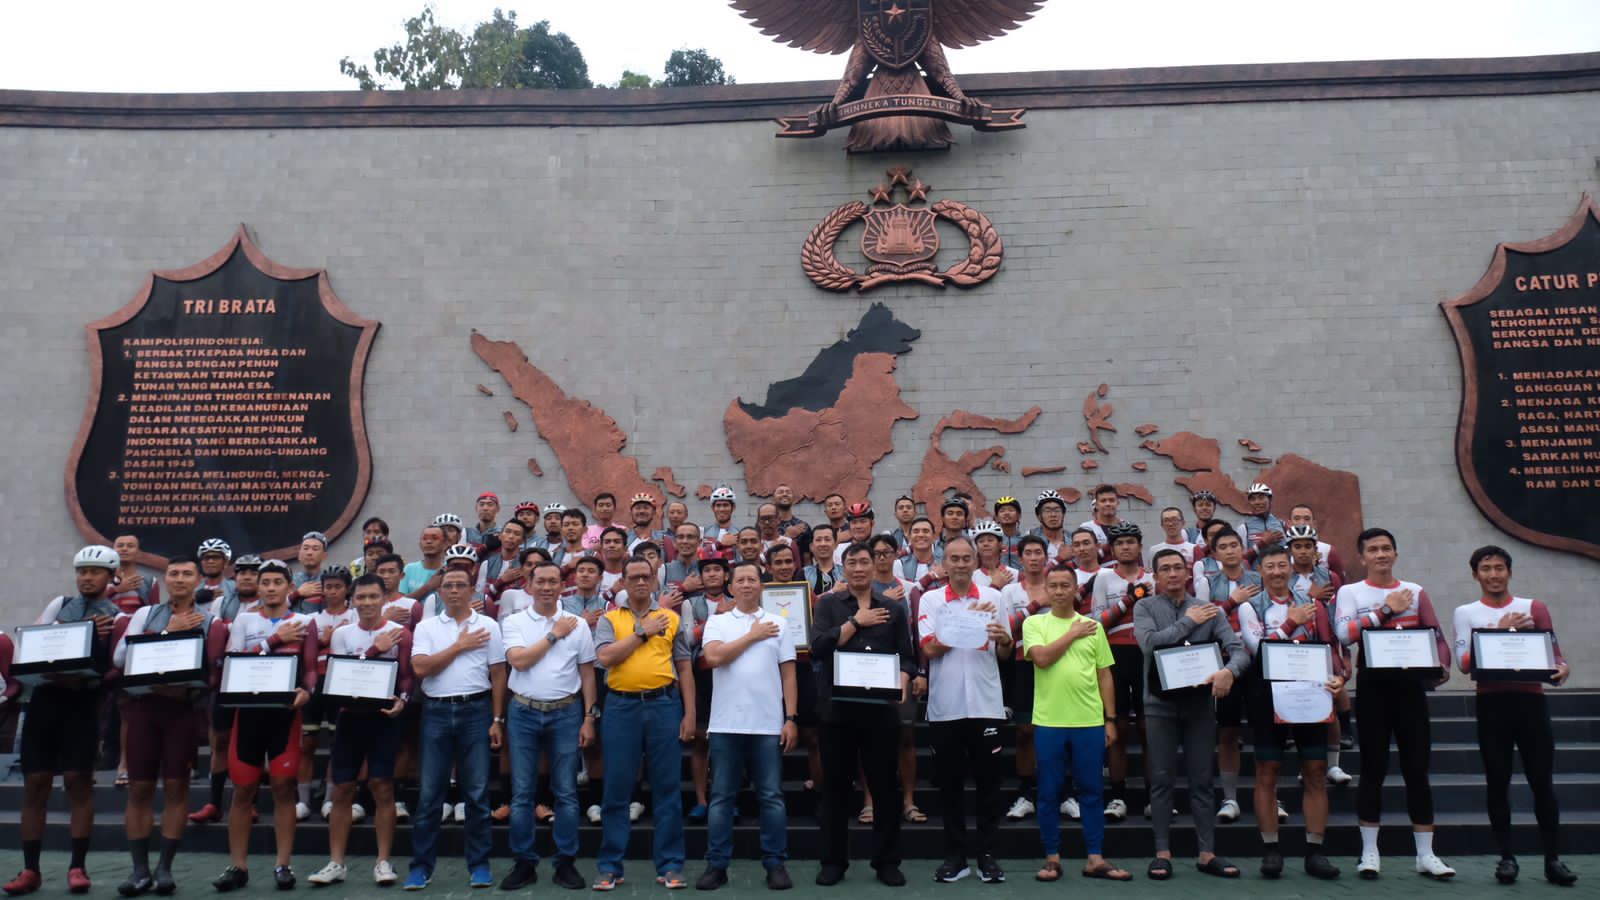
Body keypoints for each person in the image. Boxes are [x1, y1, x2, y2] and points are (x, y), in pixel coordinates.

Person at [1451, 546, 1577, 886]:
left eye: (1499, 568)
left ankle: (1553, 859)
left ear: (1510, 572)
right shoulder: (1466, 612)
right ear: (1475, 574)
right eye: (1486, 569)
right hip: (1492, 704)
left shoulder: (1534, 607)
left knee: (1542, 782)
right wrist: (1501, 630)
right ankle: (1507, 858)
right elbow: (1464, 663)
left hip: (1530, 702)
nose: (1493, 574)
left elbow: (1554, 654)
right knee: (1497, 781)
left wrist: (1562, 667)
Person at [1334, 527, 1455, 880]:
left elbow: (1437, 637)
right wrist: (1387, 610)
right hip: (1373, 685)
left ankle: (1426, 855)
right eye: (1373, 549)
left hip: (1410, 687)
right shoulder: (1351, 592)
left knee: (1417, 769)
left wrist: (1442, 666)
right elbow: (1344, 634)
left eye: (1386, 548)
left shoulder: (1415, 591)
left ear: (1396, 554)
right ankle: (1369, 852)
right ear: (1362, 557)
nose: (1381, 554)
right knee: (1373, 768)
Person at [4, 545, 121, 897]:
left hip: (82, 704)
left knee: (78, 782)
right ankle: (30, 870)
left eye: (95, 572)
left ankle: (77, 867)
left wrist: (90, 677)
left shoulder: (119, 617)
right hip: (44, 701)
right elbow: (33, 643)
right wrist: (79, 629)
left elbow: (117, 667)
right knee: (35, 783)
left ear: (110, 576)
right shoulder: (59, 605)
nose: (86, 577)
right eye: (82, 571)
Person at [1135, 548, 1246, 881]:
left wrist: (1229, 671)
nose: (1172, 574)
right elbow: (1149, 644)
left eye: (1178, 568)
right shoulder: (1145, 607)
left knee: (1202, 780)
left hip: (1199, 705)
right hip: (1159, 705)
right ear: (1155, 575)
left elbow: (1238, 650)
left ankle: (1206, 853)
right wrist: (1189, 622)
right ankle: (1162, 853)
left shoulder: (1210, 609)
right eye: (1165, 569)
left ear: (1187, 573)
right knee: (1161, 779)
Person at [210, 559, 321, 892]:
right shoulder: (244, 620)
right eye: (266, 582)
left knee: (284, 788)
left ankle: (282, 865)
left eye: (277, 582)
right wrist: (274, 640)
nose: (271, 588)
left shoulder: (305, 621)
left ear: (290, 587)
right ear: (258, 587)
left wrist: (307, 691)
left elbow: (311, 668)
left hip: (285, 715)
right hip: (248, 714)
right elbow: (232, 662)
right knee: (243, 790)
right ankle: (238, 866)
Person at [810, 543, 916, 887]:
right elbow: (819, 647)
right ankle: (833, 862)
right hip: (837, 711)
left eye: (864, 562)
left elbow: (908, 657)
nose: (858, 568)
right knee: (835, 788)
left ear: (875, 566)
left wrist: (904, 679)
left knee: (885, 787)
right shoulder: (828, 605)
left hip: (880, 712)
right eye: (852, 562)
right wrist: (857, 621)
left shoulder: (893, 608)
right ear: (843, 568)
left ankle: (887, 861)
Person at [1235, 544, 1343, 880]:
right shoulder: (1250, 606)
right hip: (1266, 694)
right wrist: (1291, 622)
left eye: (1282, 565)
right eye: (1270, 566)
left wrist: (1338, 676)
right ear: (1260, 571)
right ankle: (1271, 850)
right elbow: (1258, 649)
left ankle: (1315, 851)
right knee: (1267, 770)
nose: (1277, 572)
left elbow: (1329, 646)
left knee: (1315, 770)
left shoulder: (1312, 603)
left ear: (1291, 568)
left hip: (1310, 692)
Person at [592, 556, 697, 891]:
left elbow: (684, 667)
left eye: (645, 577)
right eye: (633, 577)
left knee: (667, 788)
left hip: (664, 705)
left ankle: (671, 865)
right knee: (616, 789)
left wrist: (690, 713)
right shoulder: (610, 619)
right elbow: (605, 657)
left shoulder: (670, 618)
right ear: (623, 582)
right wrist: (642, 633)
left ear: (654, 581)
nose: (640, 582)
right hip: (620, 707)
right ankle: (610, 866)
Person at [695, 561, 799, 891]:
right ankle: (717, 865)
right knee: (722, 798)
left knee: (771, 797)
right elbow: (714, 657)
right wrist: (753, 636)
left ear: (761, 585)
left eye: (752, 579)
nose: (746, 585)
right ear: (731, 586)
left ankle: (775, 864)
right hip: (726, 724)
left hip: (768, 725)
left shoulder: (779, 623)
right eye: (740, 580)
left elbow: (789, 674)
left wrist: (791, 718)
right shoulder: (718, 622)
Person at [113, 555, 213, 896]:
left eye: (187, 574)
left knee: (176, 788)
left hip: (181, 711)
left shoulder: (211, 620)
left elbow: (212, 667)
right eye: (174, 573)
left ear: (198, 580)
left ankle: (164, 868)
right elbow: (120, 657)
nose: (180, 579)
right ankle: (139, 869)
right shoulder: (144, 614)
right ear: (165, 578)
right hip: (144, 708)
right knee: (139, 789)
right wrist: (171, 632)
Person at [1024, 566, 1130, 883]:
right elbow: (1041, 658)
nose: (1059, 591)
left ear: (1075, 590)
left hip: (1089, 721)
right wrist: (1072, 633)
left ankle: (1095, 858)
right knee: (1048, 792)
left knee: (1092, 791)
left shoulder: (1094, 628)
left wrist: (1110, 719)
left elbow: (1104, 675)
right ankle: (1052, 858)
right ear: (1046, 590)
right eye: (1053, 586)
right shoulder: (1034, 623)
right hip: (1049, 721)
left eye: (1065, 585)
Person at [403, 568, 507, 890]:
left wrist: (497, 719)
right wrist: (459, 646)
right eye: (448, 585)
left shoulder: (488, 626)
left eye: (460, 585)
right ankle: (421, 867)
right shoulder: (427, 627)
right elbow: (420, 668)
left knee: (476, 794)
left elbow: (498, 674)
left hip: (476, 710)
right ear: (440, 591)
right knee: (430, 795)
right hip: (436, 710)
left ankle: (479, 865)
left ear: (472, 589)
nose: (453, 590)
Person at [307, 574, 414, 887]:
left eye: (373, 596)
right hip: (349, 718)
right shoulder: (343, 634)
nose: (367, 603)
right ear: (353, 601)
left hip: (383, 718)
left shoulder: (400, 633)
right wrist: (375, 650)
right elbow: (343, 673)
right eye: (361, 597)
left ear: (384, 599)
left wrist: (403, 700)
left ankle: (383, 862)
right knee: (342, 788)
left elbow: (407, 677)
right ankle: (336, 862)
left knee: (383, 787)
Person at [499, 562, 598, 891]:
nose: (546, 587)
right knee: (522, 792)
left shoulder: (578, 625)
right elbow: (519, 661)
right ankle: (523, 863)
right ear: (529, 585)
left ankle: (565, 862)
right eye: (540, 581)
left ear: (561, 585)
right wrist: (554, 634)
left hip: (566, 712)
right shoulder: (514, 622)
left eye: (553, 581)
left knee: (566, 792)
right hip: (523, 711)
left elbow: (587, 673)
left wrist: (589, 717)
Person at [916, 537, 1010, 884]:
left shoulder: (993, 598)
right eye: (953, 558)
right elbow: (929, 650)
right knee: (950, 786)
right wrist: (961, 629)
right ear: (944, 563)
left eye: (965, 558)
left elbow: (1005, 652)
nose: (959, 564)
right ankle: (955, 857)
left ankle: (987, 856)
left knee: (989, 785)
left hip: (986, 704)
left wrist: (1003, 639)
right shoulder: (931, 600)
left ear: (975, 562)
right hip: (947, 707)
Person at [1196, 528, 1261, 824]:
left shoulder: (1258, 578)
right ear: (1214, 553)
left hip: (1258, 660)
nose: (1231, 550)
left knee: (1264, 731)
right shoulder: (1208, 583)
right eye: (1224, 546)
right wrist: (1232, 601)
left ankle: (1270, 796)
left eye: (1235, 545)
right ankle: (1230, 798)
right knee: (1228, 731)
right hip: (1225, 663)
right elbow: (1203, 621)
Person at [1088, 522, 1151, 822]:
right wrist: (1128, 600)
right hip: (1114, 655)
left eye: (1130, 542)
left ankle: (1154, 796)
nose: (1125, 547)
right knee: (1118, 728)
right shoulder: (1103, 577)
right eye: (1120, 543)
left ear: (1139, 546)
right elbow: (1097, 622)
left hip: (1146, 654)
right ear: (1112, 549)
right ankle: (1117, 796)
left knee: (1149, 729)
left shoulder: (1152, 577)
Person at [1001, 535, 1050, 822]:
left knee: (1059, 730)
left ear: (1046, 556)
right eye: (1028, 553)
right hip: (1021, 663)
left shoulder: (1057, 583)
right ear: (1020, 558)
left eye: (1038, 552)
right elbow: (1006, 629)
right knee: (1024, 731)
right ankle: (1026, 793)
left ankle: (1063, 793)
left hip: (1056, 663)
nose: (1033, 557)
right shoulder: (1010, 591)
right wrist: (1035, 605)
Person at [400, 526, 447, 600]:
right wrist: (428, 587)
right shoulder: (409, 569)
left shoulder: (449, 569)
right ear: (420, 544)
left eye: (434, 538)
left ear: (444, 544)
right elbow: (400, 602)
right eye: (424, 539)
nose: (429, 542)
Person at [1236, 483, 1285, 553]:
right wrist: (1262, 544)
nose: (1257, 502)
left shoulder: (1283, 525)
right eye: (1253, 499)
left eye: (1261, 498)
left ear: (1270, 499)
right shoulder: (1244, 528)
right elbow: (1242, 557)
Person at [292, 531, 329, 609]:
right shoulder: (290, 581)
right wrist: (297, 593)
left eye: (315, 549)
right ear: (299, 555)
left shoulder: (329, 580)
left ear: (324, 556)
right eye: (305, 548)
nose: (309, 553)